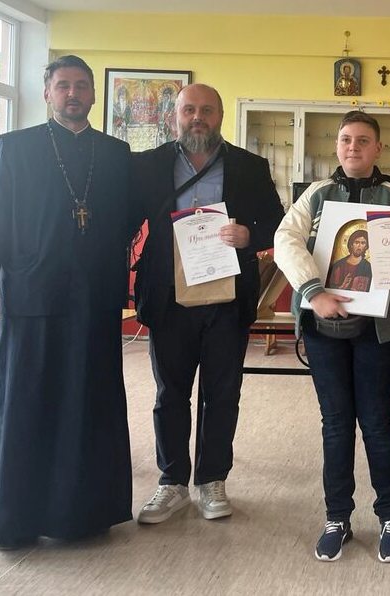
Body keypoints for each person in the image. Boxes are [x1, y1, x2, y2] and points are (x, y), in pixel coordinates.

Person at [0, 55, 138, 549]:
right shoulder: (16, 147)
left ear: (93, 94)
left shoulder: (115, 153)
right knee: (26, 399)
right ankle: (15, 517)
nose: (73, 94)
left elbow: (128, 217)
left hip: (94, 298)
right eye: (63, 85)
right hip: (32, 294)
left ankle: (85, 514)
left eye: (81, 86)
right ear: (47, 93)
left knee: (89, 399)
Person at [274, 111, 390, 563]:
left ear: (378, 149)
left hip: (378, 330)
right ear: (337, 146)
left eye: (363, 141)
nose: (353, 147)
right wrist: (313, 292)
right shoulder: (315, 194)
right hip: (324, 328)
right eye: (346, 139)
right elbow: (285, 240)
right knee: (336, 424)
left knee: (376, 422)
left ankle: (389, 515)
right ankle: (337, 518)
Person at [133, 83, 284, 525]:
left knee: (222, 393)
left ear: (220, 116)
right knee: (170, 393)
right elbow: (122, 222)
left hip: (226, 297)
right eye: (189, 110)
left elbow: (276, 222)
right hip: (169, 297)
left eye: (207, 110)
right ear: (175, 116)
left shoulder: (249, 166)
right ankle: (172, 482)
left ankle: (213, 479)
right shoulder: (148, 165)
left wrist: (250, 235)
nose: (197, 117)